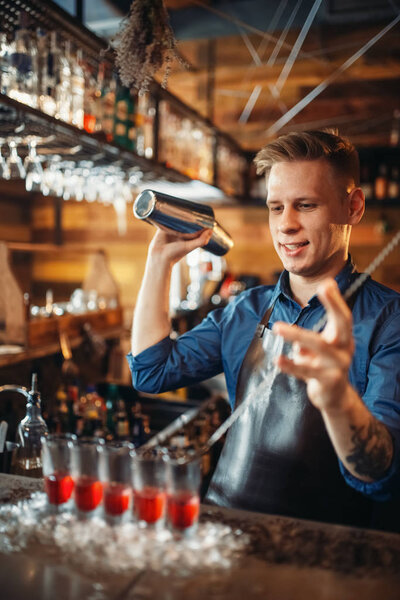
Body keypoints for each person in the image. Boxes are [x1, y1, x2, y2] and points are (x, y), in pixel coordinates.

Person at [128, 129, 400, 531]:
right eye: (276, 207)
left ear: (353, 207)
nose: (286, 225)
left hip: (323, 563)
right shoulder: (245, 309)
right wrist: (158, 262)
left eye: (305, 205)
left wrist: (337, 398)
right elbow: (151, 371)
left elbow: (381, 476)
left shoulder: (389, 321)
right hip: (224, 537)